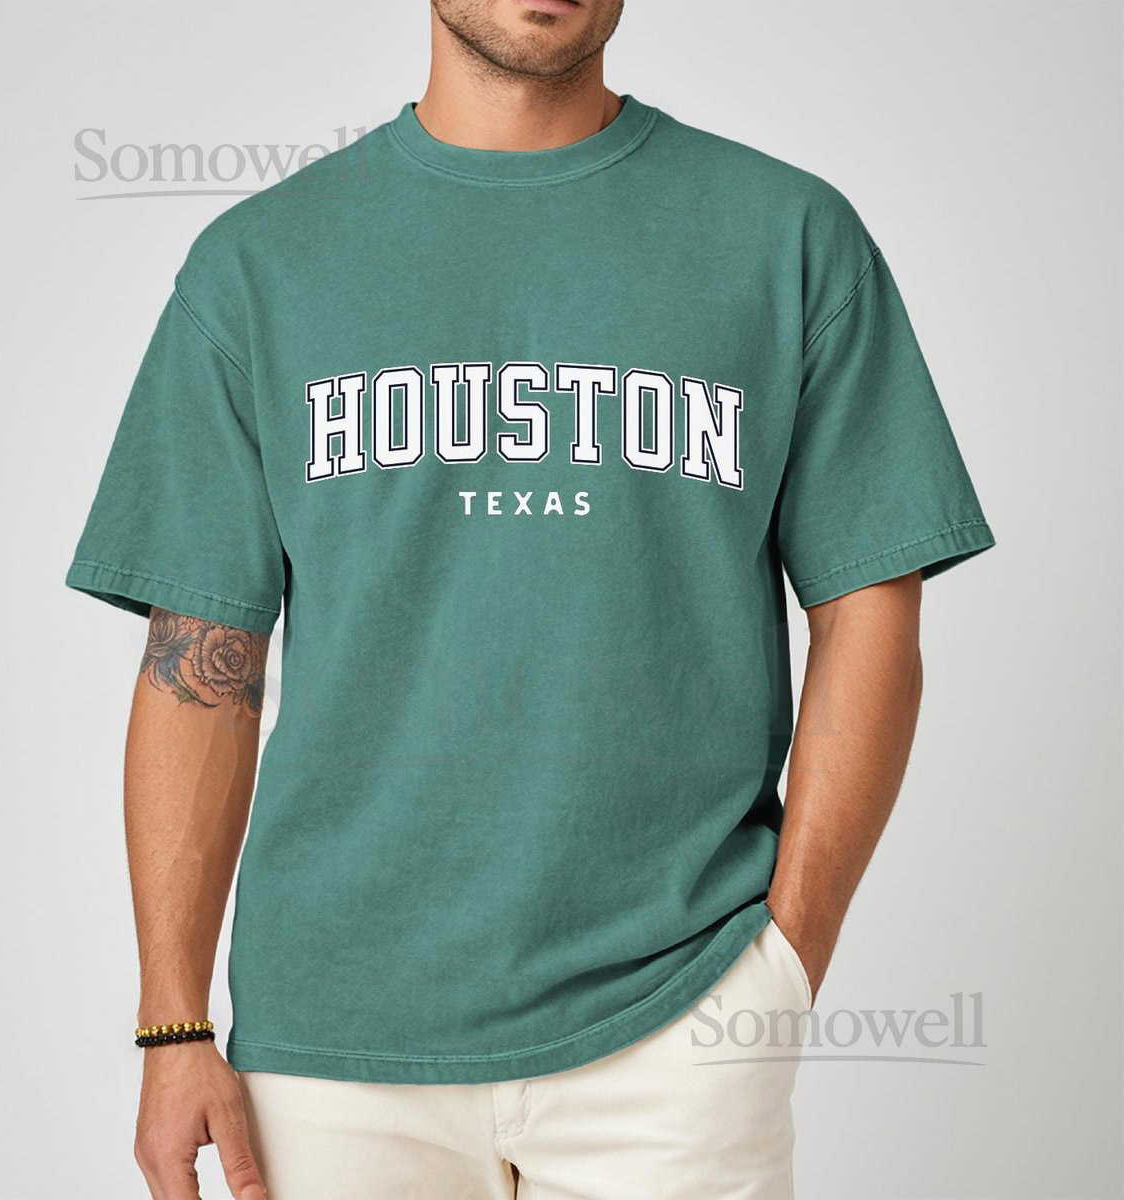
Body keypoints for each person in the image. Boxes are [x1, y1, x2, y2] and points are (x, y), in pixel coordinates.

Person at [66, 1, 994, 1196]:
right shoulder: (261, 265)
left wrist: (788, 956)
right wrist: (172, 1023)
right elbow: (202, 657)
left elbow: (870, 600)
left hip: (677, 1011)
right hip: (333, 1039)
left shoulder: (786, 236)